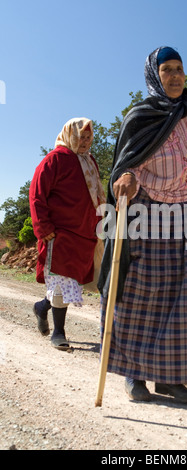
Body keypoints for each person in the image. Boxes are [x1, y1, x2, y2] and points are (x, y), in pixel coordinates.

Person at [98, 47, 187, 404]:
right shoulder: (141, 116)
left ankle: (171, 377)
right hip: (151, 213)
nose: (175, 76)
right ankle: (133, 373)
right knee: (143, 295)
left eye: (179, 69)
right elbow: (127, 161)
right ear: (155, 75)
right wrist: (125, 176)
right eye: (167, 69)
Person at [29, 118, 106, 350]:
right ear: (69, 135)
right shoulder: (55, 159)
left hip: (86, 234)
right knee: (62, 282)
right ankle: (59, 332)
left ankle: (42, 306)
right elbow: (36, 194)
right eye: (80, 136)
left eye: (88, 138)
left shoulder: (89, 161)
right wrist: (43, 228)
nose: (84, 142)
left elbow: (97, 194)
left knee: (73, 282)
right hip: (59, 234)